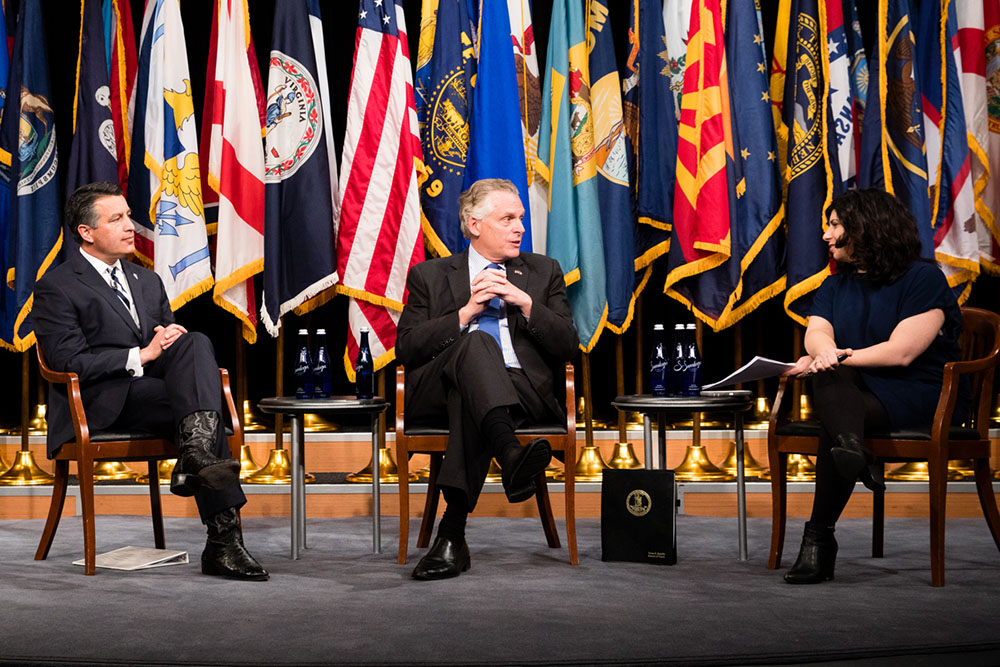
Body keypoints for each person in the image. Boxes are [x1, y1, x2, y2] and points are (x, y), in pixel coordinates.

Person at [33, 182, 268, 581]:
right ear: (86, 232)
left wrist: (167, 340)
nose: (130, 226)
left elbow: (165, 343)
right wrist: (140, 356)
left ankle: (195, 455)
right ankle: (223, 542)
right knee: (203, 412)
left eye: (127, 215)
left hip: (153, 394)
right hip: (98, 401)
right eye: (117, 219)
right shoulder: (57, 286)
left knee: (193, 342)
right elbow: (66, 360)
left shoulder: (148, 280)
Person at [396, 178, 579, 581]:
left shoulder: (542, 272)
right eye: (508, 219)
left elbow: (569, 345)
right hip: (437, 391)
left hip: (523, 391)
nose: (520, 228)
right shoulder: (430, 275)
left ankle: (452, 534)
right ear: (474, 224)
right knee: (476, 343)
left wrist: (526, 303)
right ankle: (510, 455)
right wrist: (464, 313)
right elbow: (406, 349)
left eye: (521, 219)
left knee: (472, 397)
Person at [781, 188, 965, 584]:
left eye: (835, 224)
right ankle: (853, 447)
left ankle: (819, 538)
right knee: (834, 381)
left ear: (867, 227)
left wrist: (830, 358)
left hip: (917, 393)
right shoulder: (835, 284)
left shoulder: (923, 279)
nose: (826, 235)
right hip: (856, 395)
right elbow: (817, 332)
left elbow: (902, 353)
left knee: (832, 384)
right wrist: (824, 353)